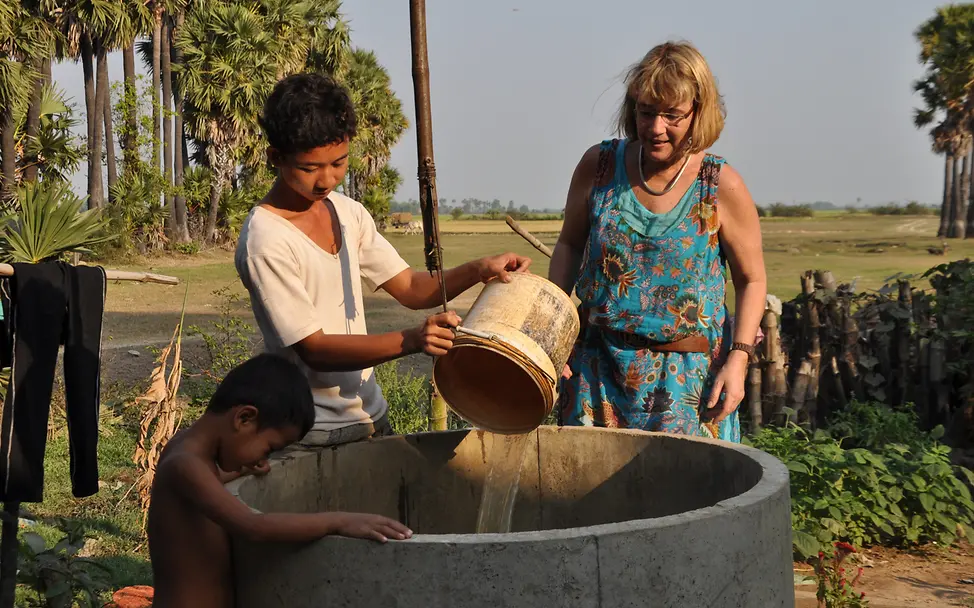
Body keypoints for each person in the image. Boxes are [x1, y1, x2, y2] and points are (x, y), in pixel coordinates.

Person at [234, 73, 530, 448]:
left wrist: (478, 269)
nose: (327, 180)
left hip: (370, 416)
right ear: (276, 157)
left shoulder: (347, 213)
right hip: (307, 432)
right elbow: (314, 348)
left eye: (338, 164)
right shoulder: (266, 239)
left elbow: (411, 288)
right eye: (310, 168)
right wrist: (411, 340)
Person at [548, 41, 767, 442]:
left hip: (686, 382)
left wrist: (738, 359)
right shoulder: (598, 168)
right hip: (596, 371)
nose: (656, 127)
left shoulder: (719, 186)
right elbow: (568, 246)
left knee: (686, 498)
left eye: (672, 115)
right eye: (646, 112)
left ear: (699, 113)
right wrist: (553, 330)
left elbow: (751, 280)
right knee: (585, 494)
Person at [147, 353, 412, 608]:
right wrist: (340, 521)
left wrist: (242, 469)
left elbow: (210, 482)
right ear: (244, 418)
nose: (266, 456)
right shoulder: (185, 465)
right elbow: (254, 526)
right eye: (270, 447)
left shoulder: (188, 451)